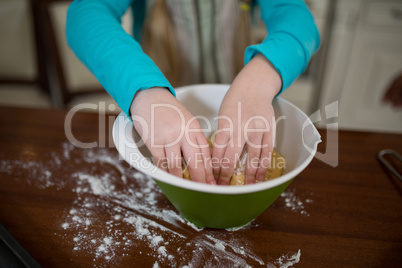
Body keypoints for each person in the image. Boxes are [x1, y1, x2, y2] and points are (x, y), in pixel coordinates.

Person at [66, 0, 320, 185]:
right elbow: (85, 14)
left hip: (244, 103)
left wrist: (260, 81)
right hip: (158, 117)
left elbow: (297, 18)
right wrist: (146, 92)